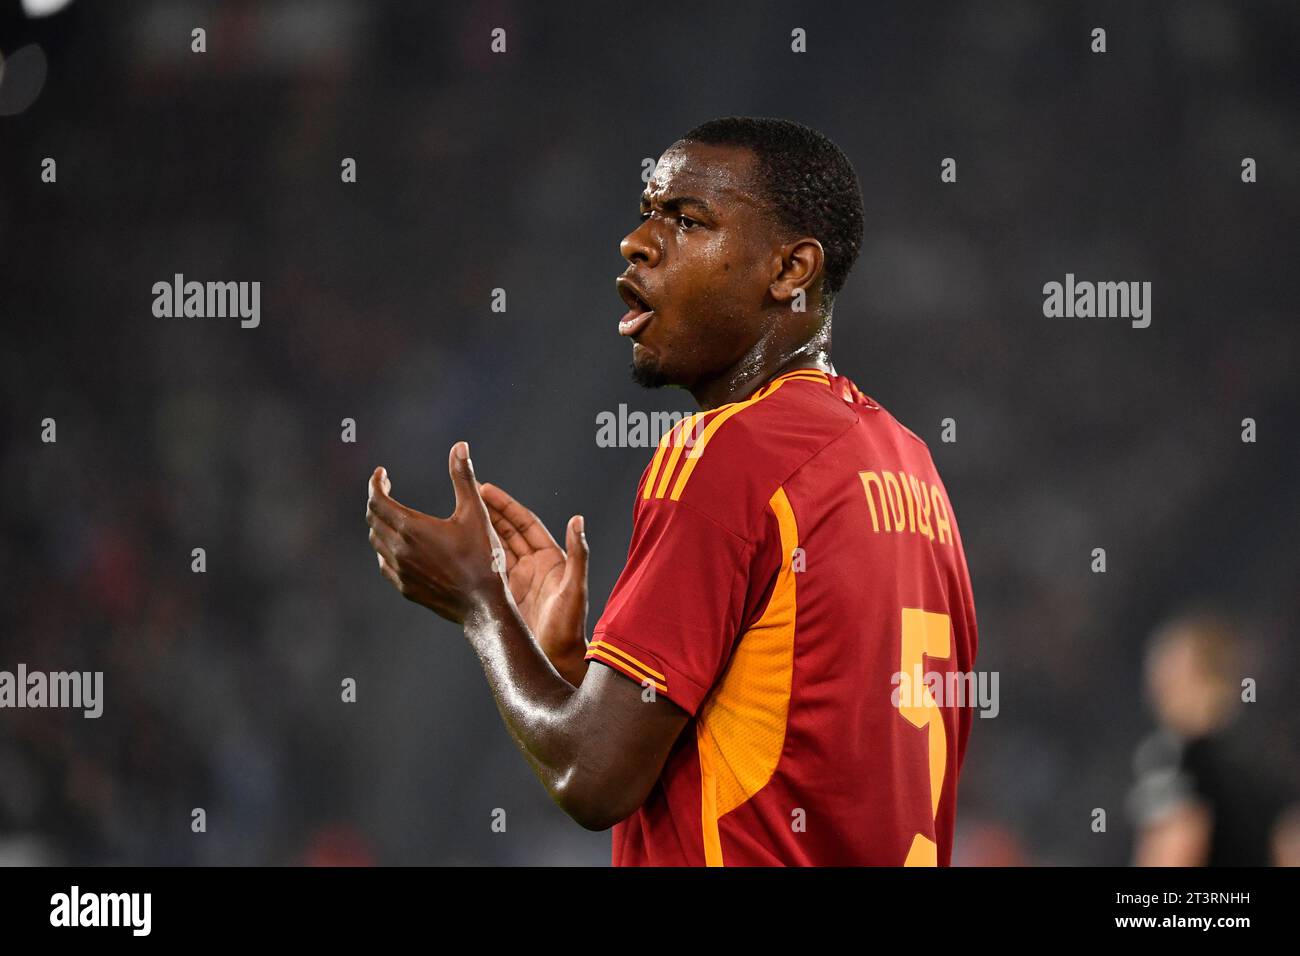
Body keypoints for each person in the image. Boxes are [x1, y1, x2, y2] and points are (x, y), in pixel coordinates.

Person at [366, 117, 980, 865]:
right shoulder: (910, 465)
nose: (638, 242)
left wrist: (479, 605)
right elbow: (778, 745)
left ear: (791, 270)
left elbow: (592, 778)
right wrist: (569, 669)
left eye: (688, 220)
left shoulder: (730, 452)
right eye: (648, 211)